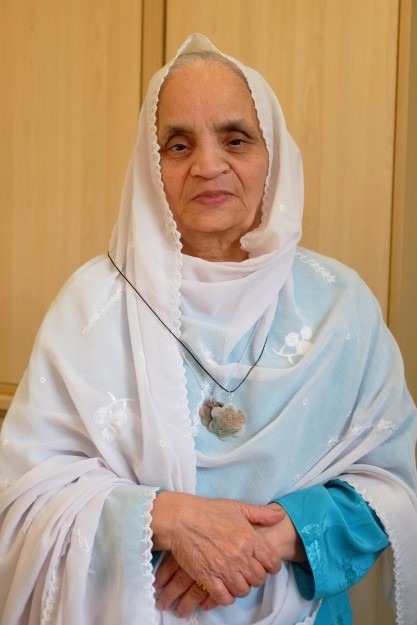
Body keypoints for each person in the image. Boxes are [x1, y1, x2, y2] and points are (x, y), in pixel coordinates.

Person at [0, 33, 416, 625]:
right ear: (151, 165)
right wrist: (168, 518)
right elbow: (23, 496)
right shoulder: (92, 304)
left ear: (273, 155)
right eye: (178, 144)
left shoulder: (341, 306)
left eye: (236, 138)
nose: (208, 165)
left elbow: (388, 484)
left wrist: (270, 542)